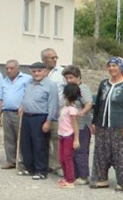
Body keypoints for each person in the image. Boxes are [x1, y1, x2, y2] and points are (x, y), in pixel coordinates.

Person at [91, 57, 123, 191]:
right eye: (109, 66)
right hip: (102, 125)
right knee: (101, 153)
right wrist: (94, 122)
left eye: (114, 66)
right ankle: (101, 179)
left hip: (120, 126)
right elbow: (98, 104)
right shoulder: (104, 84)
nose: (111, 68)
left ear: (121, 67)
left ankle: (121, 182)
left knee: (121, 155)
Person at [19, 62, 59, 179]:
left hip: (40, 117)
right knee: (26, 144)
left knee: (40, 145)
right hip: (27, 116)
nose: (36, 74)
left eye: (39, 71)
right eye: (34, 71)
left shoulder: (50, 85)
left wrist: (49, 121)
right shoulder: (29, 82)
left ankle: (41, 170)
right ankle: (29, 168)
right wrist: (22, 106)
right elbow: (26, 97)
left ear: (45, 71)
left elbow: (53, 105)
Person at [61, 66, 93, 185]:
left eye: (71, 77)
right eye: (67, 78)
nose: (69, 80)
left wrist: (82, 112)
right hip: (70, 127)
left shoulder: (83, 89)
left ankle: (83, 176)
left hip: (81, 125)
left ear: (78, 77)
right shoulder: (68, 88)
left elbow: (89, 103)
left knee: (81, 151)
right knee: (71, 152)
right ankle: (73, 174)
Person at [0, 60, 30, 169]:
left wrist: (23, 105)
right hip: (7, 112)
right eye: (7, 68)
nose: (9, 70)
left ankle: (22, 162)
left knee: (21, 138)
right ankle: (11, 160)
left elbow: (29, 95)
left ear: (17, 68)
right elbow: (0, 98)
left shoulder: (26, 79)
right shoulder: (4, 81)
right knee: (9, 138)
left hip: (19, 112)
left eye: (11, 68)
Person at [41, 48, 65, 176]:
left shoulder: (62, 72)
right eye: (52, 58)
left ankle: (57, 165)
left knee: (56, 139)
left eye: (56, 57)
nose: (55, 60)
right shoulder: (40, 72)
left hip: (57, 112)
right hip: (41, 111)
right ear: (44, 59)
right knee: (43, 139)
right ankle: (46, 163)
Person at [56, 83, 82, 188]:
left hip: (69, 135)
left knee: (67, 158)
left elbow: (75, 125)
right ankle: (66, 177)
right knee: (62, 158)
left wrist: (76, 139)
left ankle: (70, 180)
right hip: (62, 135)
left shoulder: (72, 109)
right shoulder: (65, 107)